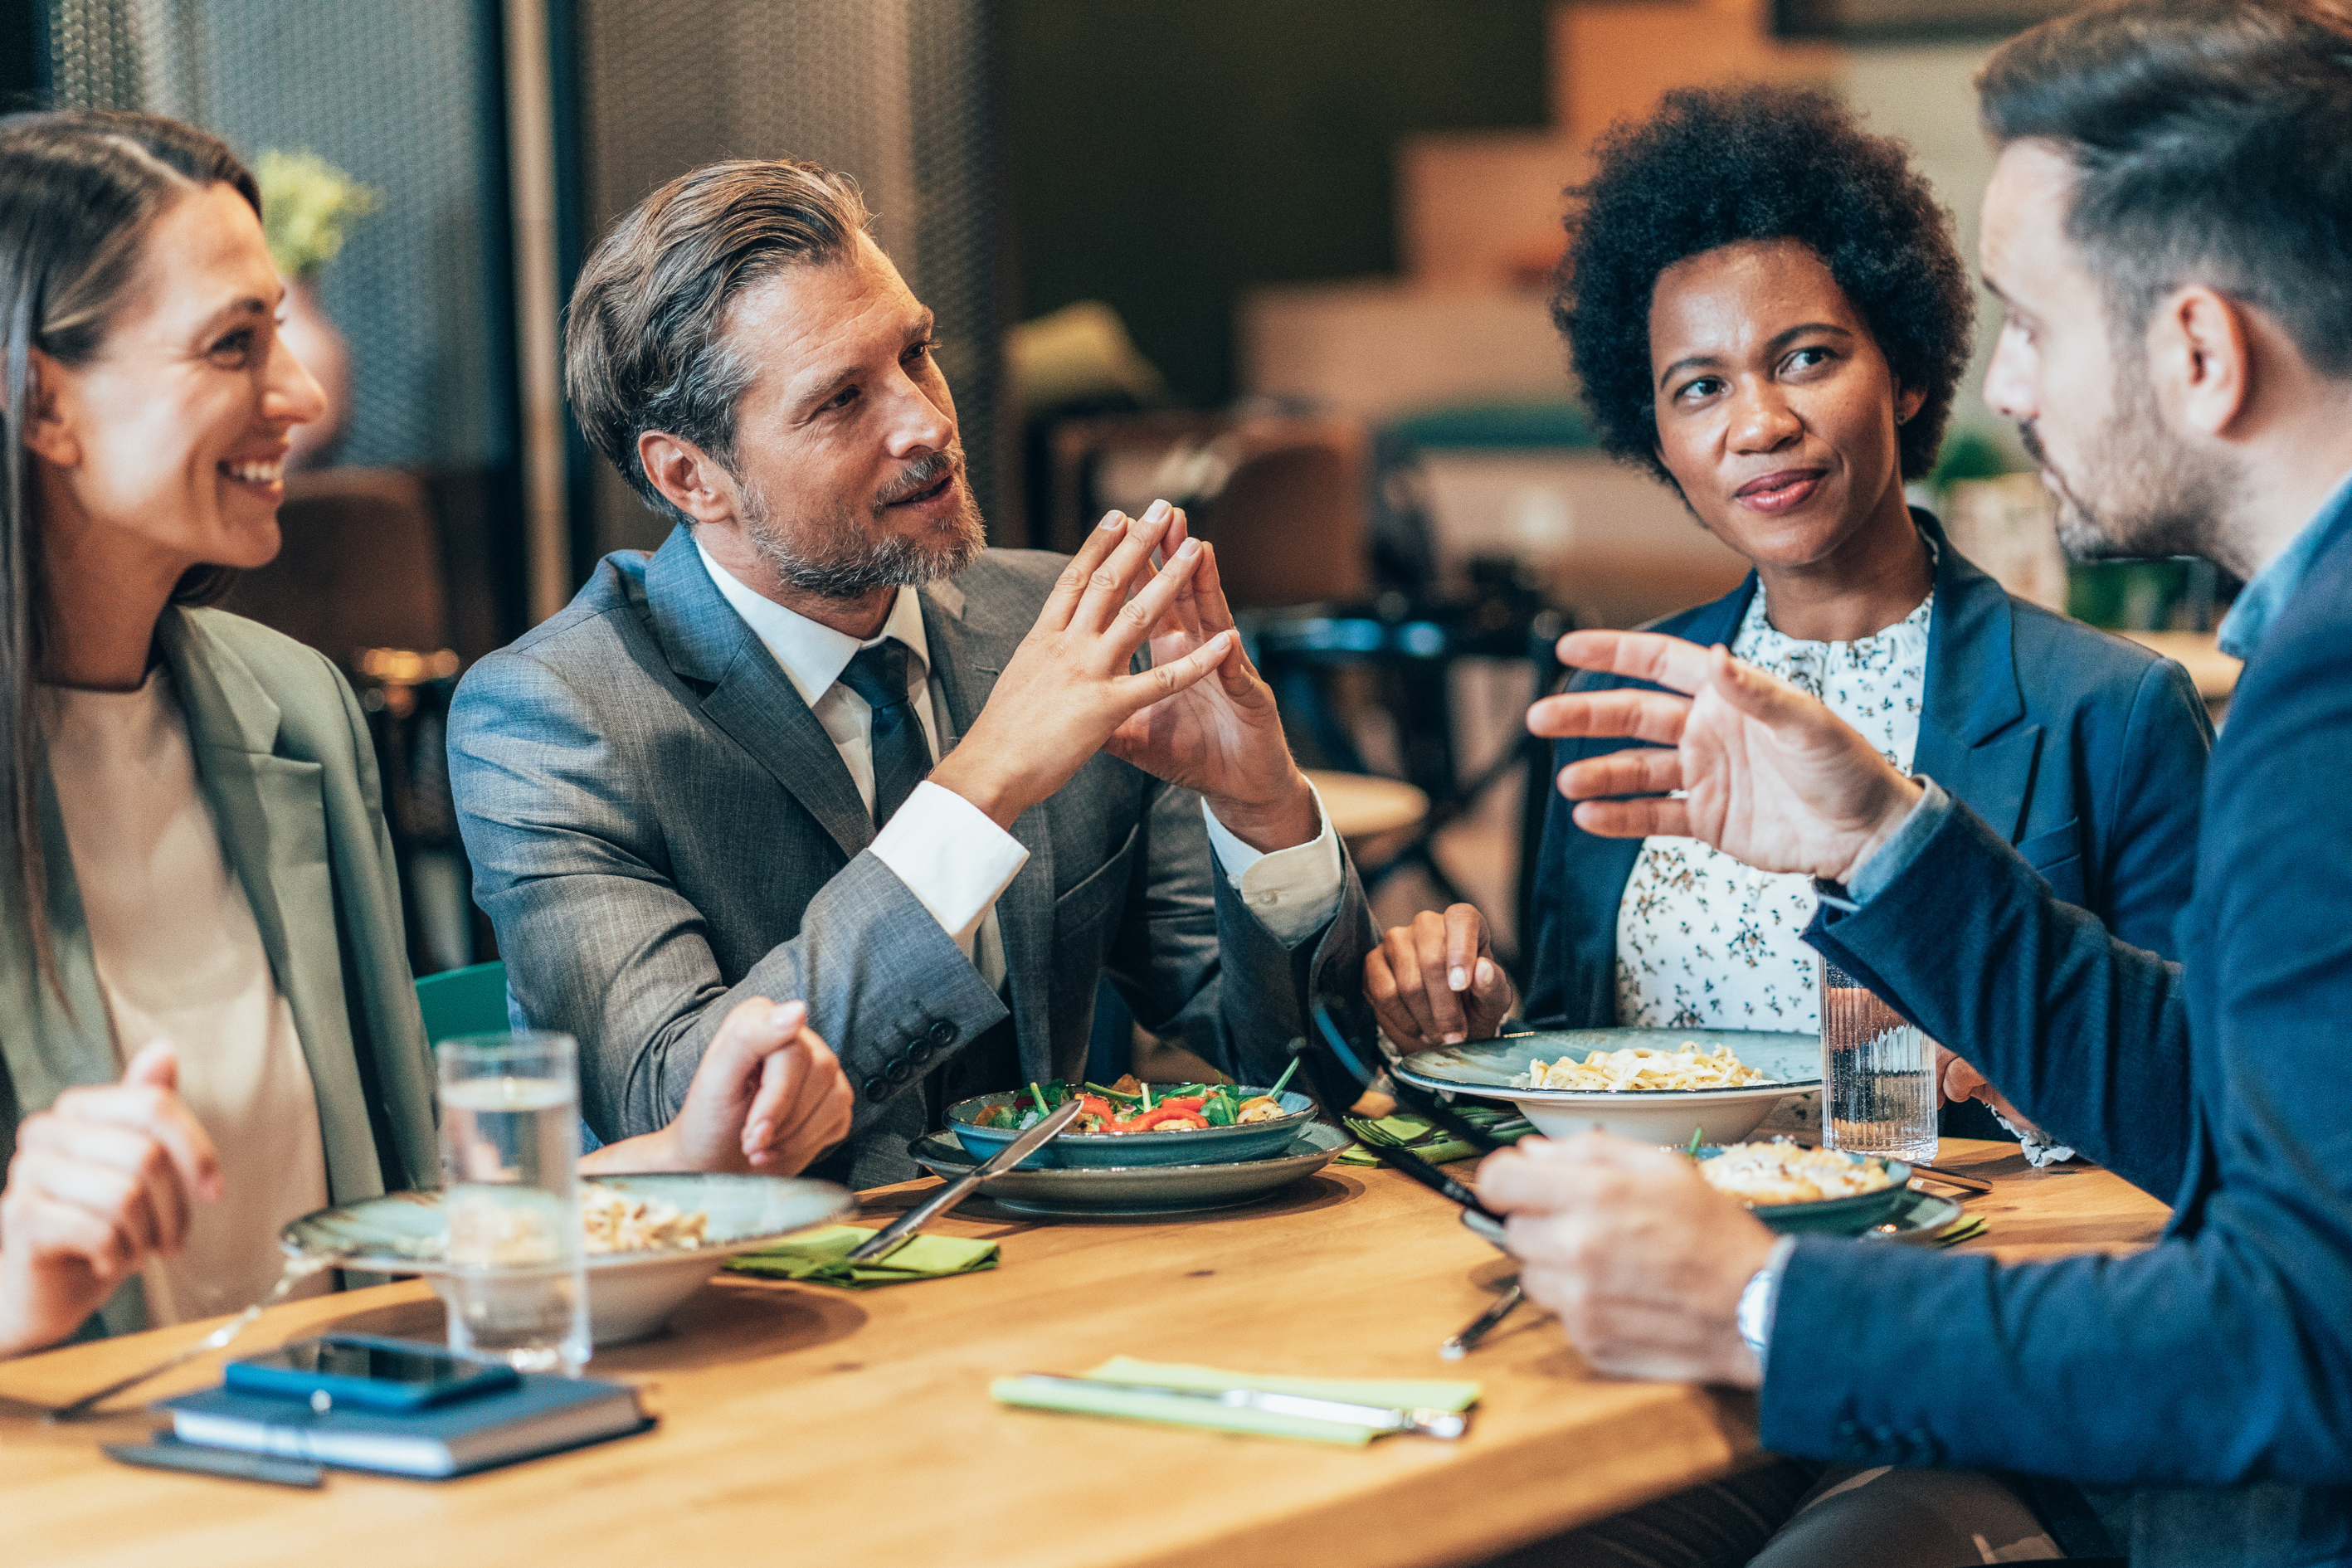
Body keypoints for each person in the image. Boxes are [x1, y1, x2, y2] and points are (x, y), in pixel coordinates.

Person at [1478, 2, 2352, 1562]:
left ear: (2203, 351)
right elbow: (2231, 1099)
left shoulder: (2319, 700)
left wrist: (1760, 1298)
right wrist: (1887, 843)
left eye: (2031, 322)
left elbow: (2301, 1335)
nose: (2003, 390)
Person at [0, 112, 852, 1361]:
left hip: (356, 1467)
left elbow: (393, 1226)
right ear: (42, 401)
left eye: (277, 331)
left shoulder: (290, 710)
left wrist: (687, 1156)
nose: (295, 394)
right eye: (233, 345)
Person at [447, 159, 1372, 1189]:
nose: (927, 423)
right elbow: (684, 1106)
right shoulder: (554, 715)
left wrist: (1263, 814)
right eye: (842, 399)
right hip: (757, 1315)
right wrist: (981, 789)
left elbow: (1300, 1073)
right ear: (688, 476)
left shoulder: (1049, 623)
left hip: (1061, 1288)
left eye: (916, 354)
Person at [1365, 84, 2210, 1156]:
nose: (1757, 424)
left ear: (1902, 372)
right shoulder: (1619, 708)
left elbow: (2217, 1098)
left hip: (1962, 1272)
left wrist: (2019, 1087)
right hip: (1647, 1257)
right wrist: (1480, 1031)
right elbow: (1575, 1041)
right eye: (1696, 386)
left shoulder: (2108, 710)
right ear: (1654, 436)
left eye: (1805, 357)